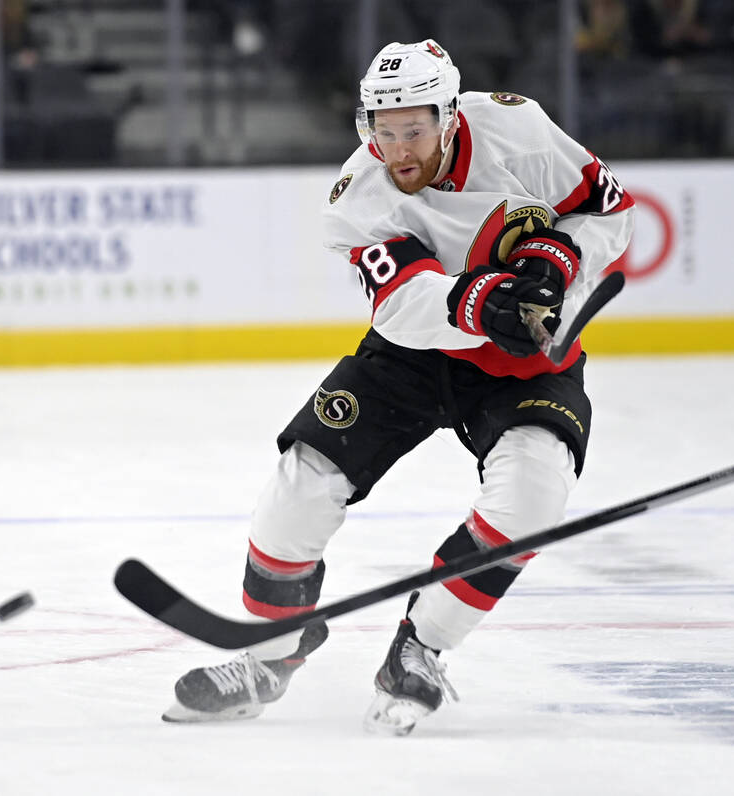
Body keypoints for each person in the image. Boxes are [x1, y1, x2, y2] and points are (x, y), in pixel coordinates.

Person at [162, 38, 635, 735]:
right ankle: (268, 654)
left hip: (526, 366)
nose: (398, 150)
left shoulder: (519, 131)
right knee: (303, 479)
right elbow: (403, 306)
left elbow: (604, 210)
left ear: (450, 117)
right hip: (413, 353)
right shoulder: (361, 196)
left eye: (413, 130)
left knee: (535, 493)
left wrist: (555, 265)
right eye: (383, 133)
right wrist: (488, 304)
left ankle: (421, 648)